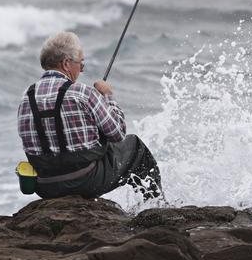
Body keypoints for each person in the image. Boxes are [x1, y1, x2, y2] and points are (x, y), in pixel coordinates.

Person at [17, 31, 161, 200]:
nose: (81, 70)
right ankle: (154, 207)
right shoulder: (83, 93)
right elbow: (118, 133)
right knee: (136, 148)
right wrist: (107, 96)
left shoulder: (26, 97)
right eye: (81, 63)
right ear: (66, 63)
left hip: (46, 186)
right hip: (86, 181)